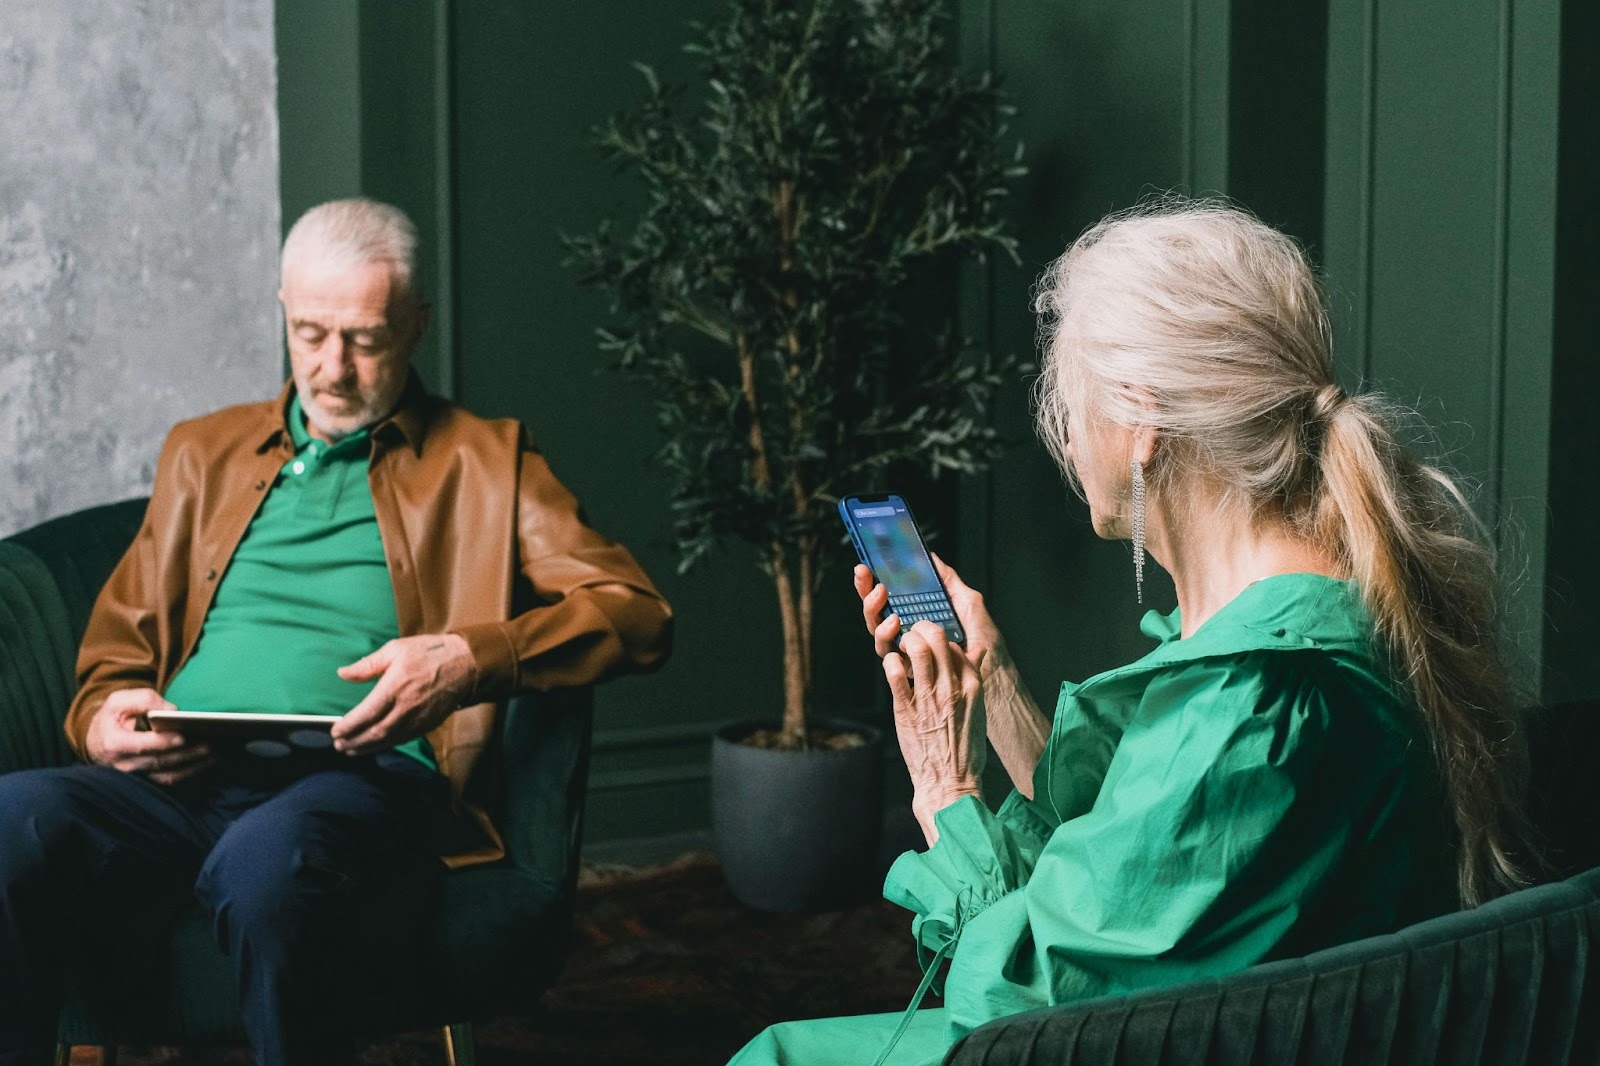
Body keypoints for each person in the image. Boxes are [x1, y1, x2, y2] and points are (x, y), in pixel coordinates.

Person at [730, 199, 1530, 1064]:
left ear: (1141, 422)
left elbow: (1025, 1006)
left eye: (1070, 410)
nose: (1070, 445)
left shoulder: (1262, 700)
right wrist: (994, 682)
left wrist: (944, 787)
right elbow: (1123, 869)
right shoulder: (1326, 612)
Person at [0, 198, 673, 1066]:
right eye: (311, 333)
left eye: (364, 338)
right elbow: (115, 652)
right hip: (181, 780)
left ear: (417, 326)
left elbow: (636, 611)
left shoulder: (487, 461)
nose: (333, 369)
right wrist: (102, 718)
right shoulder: (202, 453)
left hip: (364, 777)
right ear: (284, 309)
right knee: (13, 816)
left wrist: (469, 660)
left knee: (267, 864)